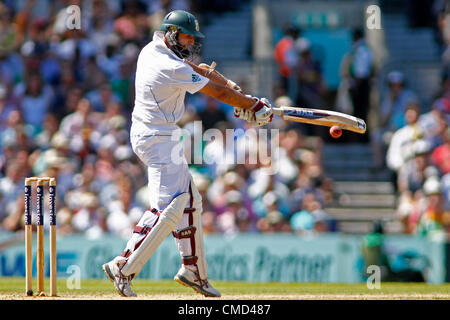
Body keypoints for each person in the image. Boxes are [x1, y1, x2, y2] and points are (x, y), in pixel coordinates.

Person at [101, 10, 273, 297]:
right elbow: (215, 93)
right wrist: (252, 106)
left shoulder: (152, 50)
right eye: (186, 35)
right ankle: (124, 265)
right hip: (157, 138)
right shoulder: (169, 66)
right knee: (169, 207)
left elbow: (203, 72)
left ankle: (194, 271)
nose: (191, 41)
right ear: (170, 32)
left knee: (190, 201)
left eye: (193, 37)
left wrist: (239, 93)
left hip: (156, 134)